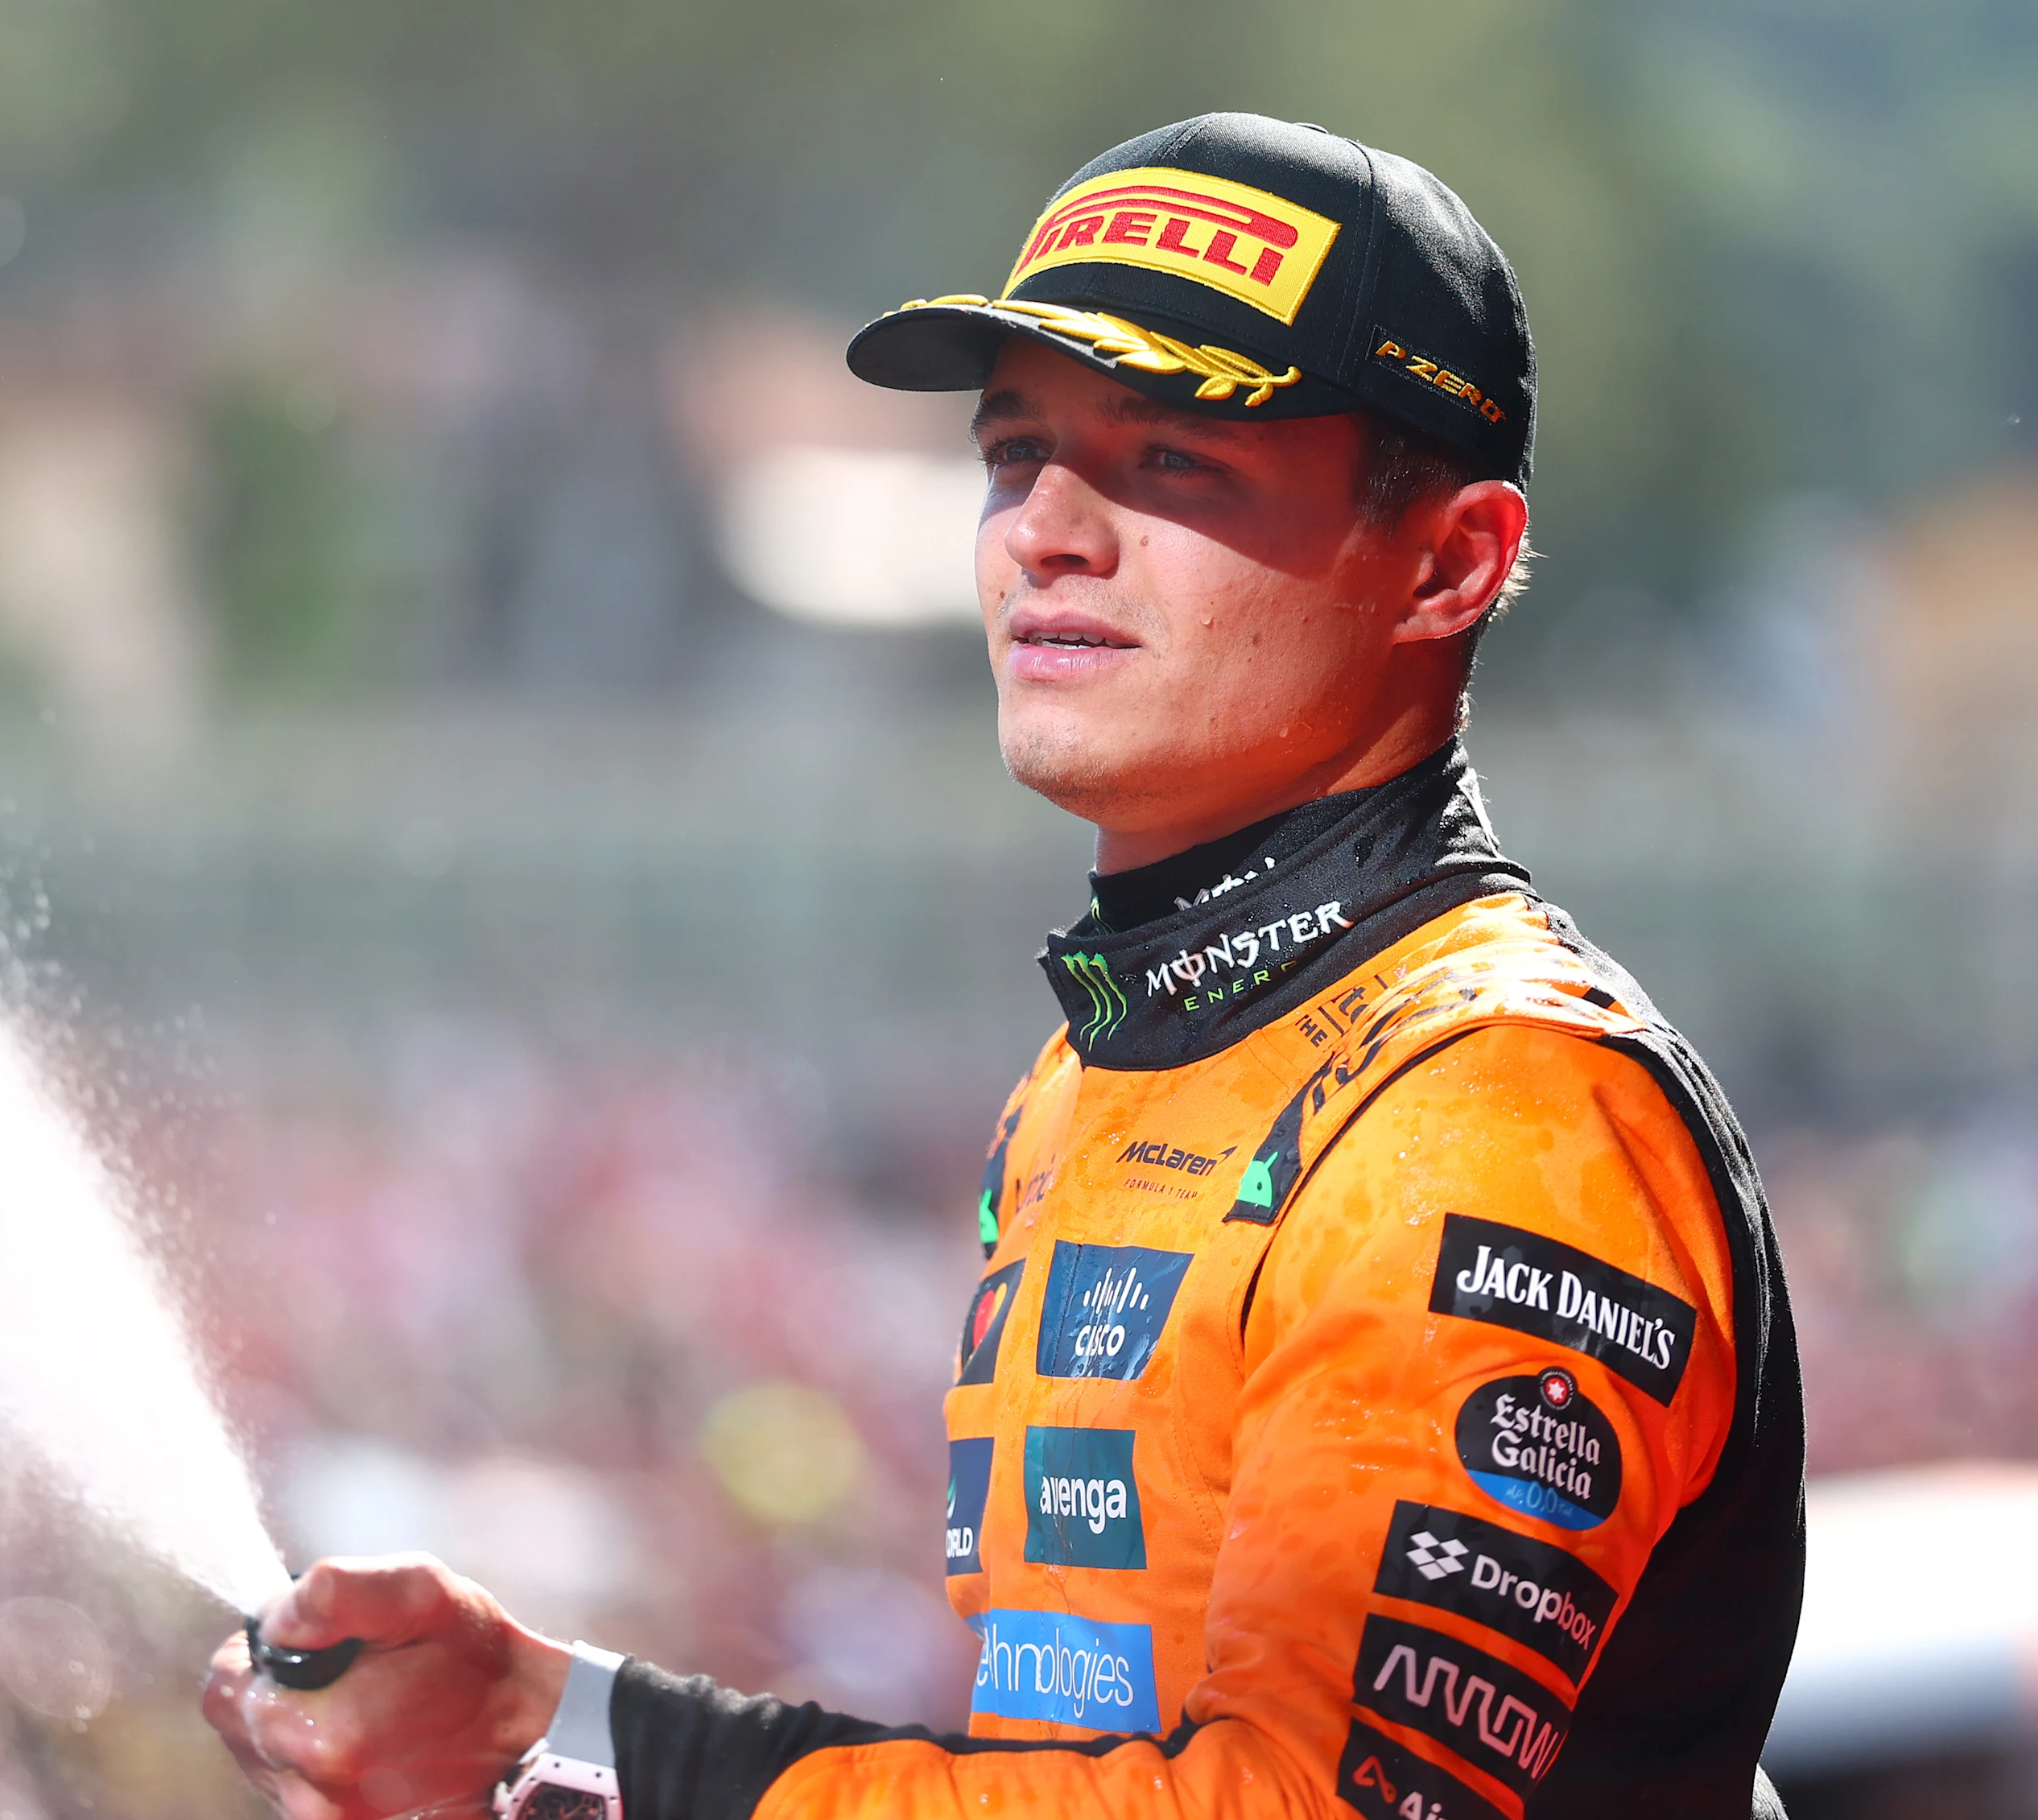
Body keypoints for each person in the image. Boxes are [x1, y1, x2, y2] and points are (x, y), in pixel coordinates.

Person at [202, 111, 1805, 1820]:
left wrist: (645, 1767)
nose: (1046, 527)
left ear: (1448, 562)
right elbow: (1068, 1779)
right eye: (1014, 450)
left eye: (1174, 456)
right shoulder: (1094, 1075)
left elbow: (1290, 1804)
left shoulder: (1492, 1105)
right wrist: (545, 1726)